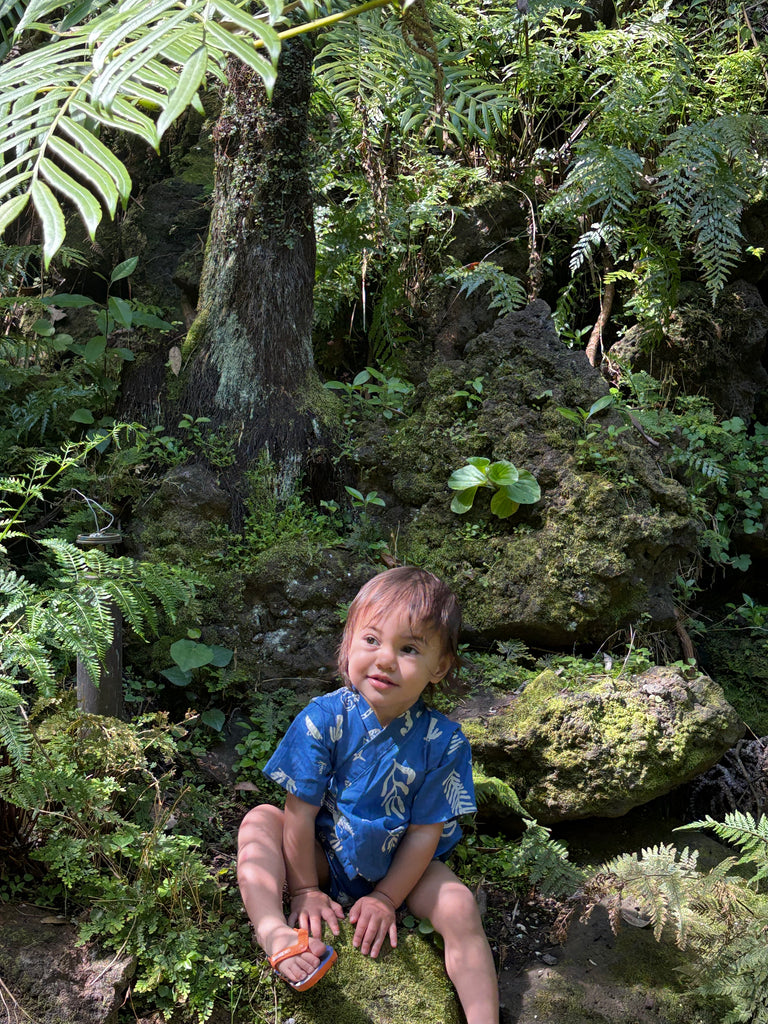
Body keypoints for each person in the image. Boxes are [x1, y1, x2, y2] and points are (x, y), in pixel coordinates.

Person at [237, 566, 499, 1024]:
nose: (385, 660)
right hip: (322, 853)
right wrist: (303, 889)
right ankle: (273, 933)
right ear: (349, 645)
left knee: (458, 906)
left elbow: (424, 834)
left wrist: (386, 898)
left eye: (409, 648)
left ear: (439, 667)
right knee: (260, 819)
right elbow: (299, 814)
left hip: (404, 864)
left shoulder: (444, 741)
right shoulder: (324, 719)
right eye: (372, 640)